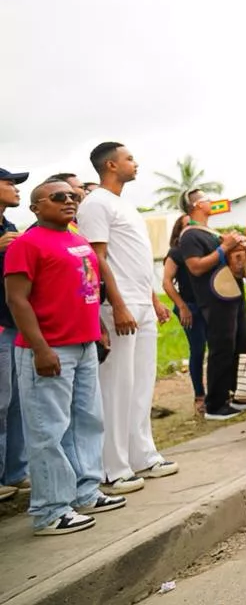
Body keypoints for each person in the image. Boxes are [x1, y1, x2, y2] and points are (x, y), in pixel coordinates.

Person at [5, 180, 123, 535]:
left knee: (86, 422)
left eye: (73, 196)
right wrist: (40, 347)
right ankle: (50, 509)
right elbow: (17, 300)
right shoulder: (25, 245)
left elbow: (88, 290)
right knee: (48, 430)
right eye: (59, 197)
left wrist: (97, 330)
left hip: (84, 345)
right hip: (49, 348)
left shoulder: (78, 239)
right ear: (36, 207)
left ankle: (85, 491)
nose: (69, 201)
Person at [78, 142, 179, 494]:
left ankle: (143, 456)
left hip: (141, 302)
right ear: (110, 164)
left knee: (140, 383)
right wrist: (117, 305)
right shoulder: (95, 204)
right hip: (118, 305)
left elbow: (135, 260)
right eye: (129, 158)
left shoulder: (125, 204)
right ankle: (113, 468)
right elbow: (98, 258)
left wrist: (154, 300)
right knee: (117, 386)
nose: (135, 163)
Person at [178, 190, 246, 421]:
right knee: (221, 349)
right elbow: (196, 267)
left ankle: (235, 395)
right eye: (207, 198)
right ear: (197, 204)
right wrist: (224, 248)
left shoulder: (209, 231)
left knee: (240, 343)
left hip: (231, 294)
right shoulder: (190, 235)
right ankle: (215, 404)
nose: (211, 201)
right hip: (214, 298)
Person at [0, 167, 30, 504]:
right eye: (9, 183)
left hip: (14, 325)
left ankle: (15, 472)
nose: (15, 188)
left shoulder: (9, 227)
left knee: (17, 403)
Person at [161, 215, 208, 415]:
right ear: (178, 231)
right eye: (187, 225)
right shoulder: (176, 252)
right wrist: (182, 306)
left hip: (209, 305)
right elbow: (166, 282)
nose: (191, 228)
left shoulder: (207, 248)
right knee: (197, 350)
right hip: (190, 307)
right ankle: (199, 395)